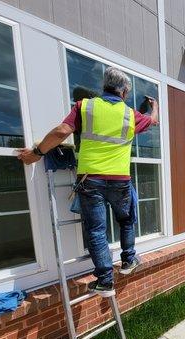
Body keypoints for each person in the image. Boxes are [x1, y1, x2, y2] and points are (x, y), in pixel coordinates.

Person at [17, 67, 159, 297]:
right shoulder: (131, 114)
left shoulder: (85, 107)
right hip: (120, 180)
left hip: (90, 180)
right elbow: (154, 121)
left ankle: (105, 281)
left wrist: (37, 152)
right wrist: (154, 107)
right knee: (125, 221)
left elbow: (63, 131)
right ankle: (128, 261)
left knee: (96, 230)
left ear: (105, 87)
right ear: (123, 92)